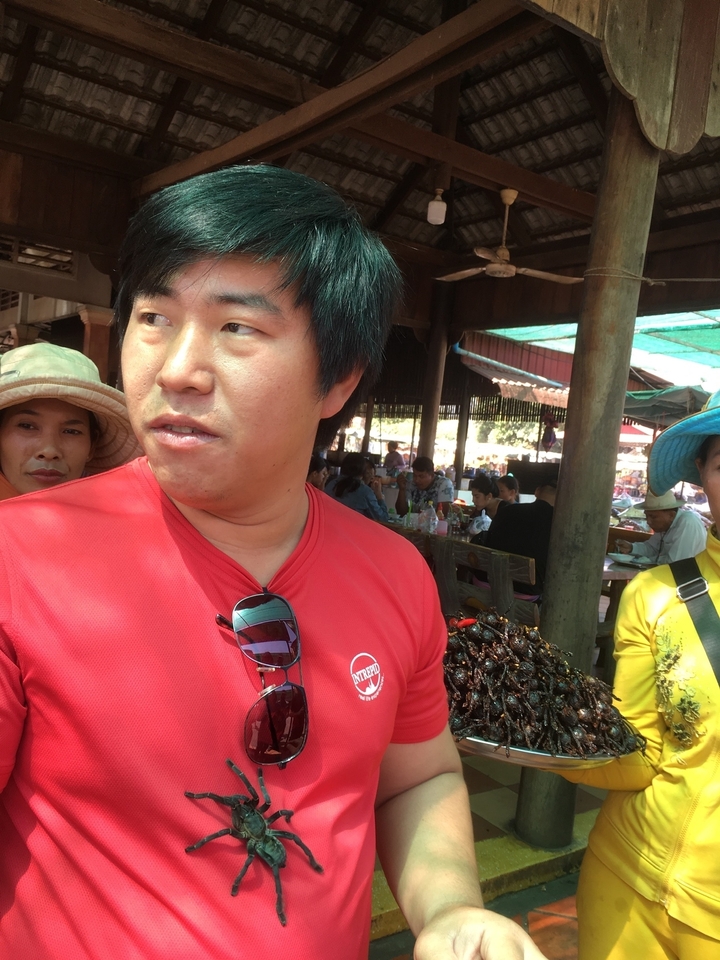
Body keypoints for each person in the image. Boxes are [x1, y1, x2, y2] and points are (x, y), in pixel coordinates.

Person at [0, 165, 544, 960]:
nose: (177, 368)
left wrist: (453, 908)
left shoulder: (396, 575)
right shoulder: (21, 555)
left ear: (340, 379)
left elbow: (416, 777)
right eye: (153, 317)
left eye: (237, 328)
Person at [561, 390, 720, 960]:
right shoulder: (652, 595)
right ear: (701, 474)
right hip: (622, 870)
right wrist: (557, 745)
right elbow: (640, 751)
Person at [0, 341, 139, 498]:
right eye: (27, 426)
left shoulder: (112, 516)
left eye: (71, 431)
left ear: (92, 446)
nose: (49, 451)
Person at [485, 480, 557, 589]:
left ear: (537, 492)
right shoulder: (558, 523)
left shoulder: (507, 510)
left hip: (485, 582)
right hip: (525, 591)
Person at [615, 490, 706, 564]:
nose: (648, 522)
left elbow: (676, 562)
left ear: (671, 515)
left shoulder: (687, 522)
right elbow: (652, 548)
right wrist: (631, 547)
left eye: (653, 517)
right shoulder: (665, 526)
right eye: (647, 516)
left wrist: (649, 560)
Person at [325, 451, 388, 521]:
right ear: (362, 472)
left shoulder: (331, 485)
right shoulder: (365, 492)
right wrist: (380, 497)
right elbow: (382, 519)